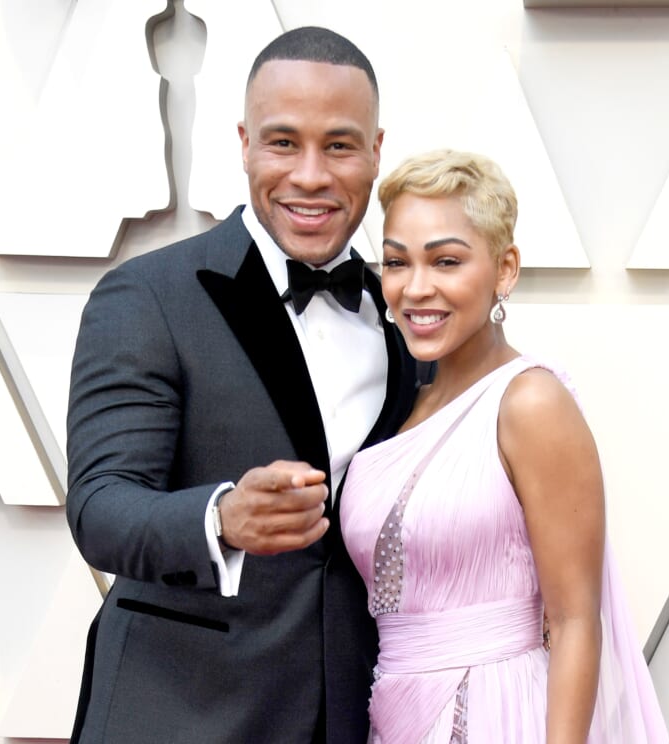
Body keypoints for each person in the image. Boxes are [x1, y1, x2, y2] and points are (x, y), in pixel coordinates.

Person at [65, 27, 419, 744]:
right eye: (284, 143)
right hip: (182, 716)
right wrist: (221, 518)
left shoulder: (407, 315)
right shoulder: (147, 296)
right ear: (245, 143)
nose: (311, 176)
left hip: (355, 715)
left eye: (340, 145)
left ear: (377, 150)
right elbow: (100, 508)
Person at [340, 150, 669, 743]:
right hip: (394, 715)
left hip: (499, 713)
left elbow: (574, 622)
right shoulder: (402, 408)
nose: (416, 288)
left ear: (505, 269)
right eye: (396, 262)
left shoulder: (531, 403)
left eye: (446, 261)